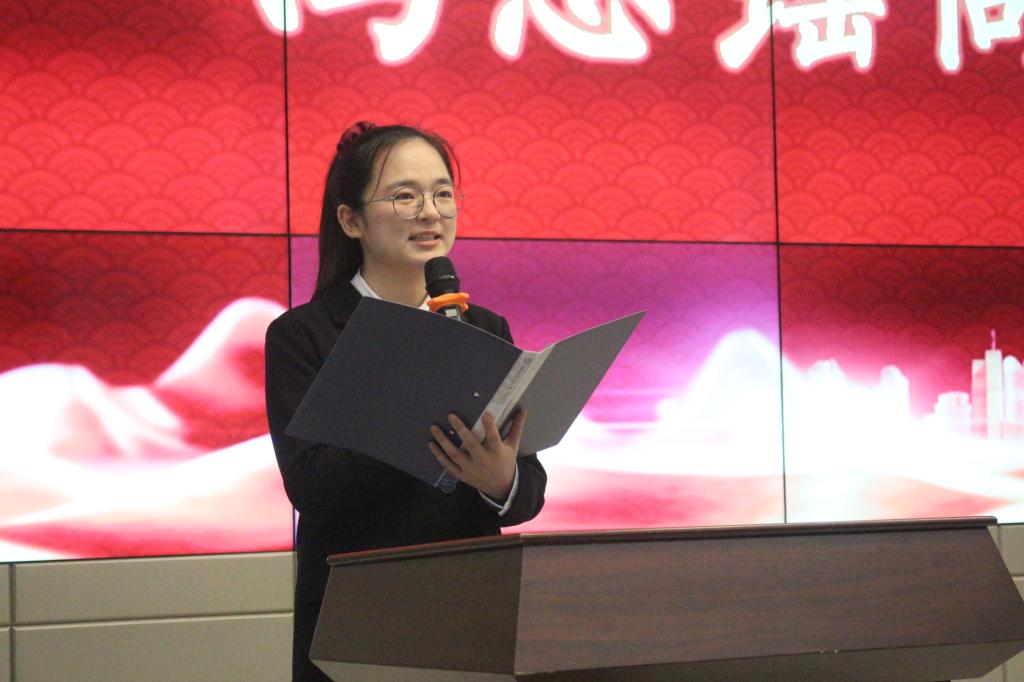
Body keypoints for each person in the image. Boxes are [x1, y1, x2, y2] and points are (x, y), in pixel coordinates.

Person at [264, 122, 547, 682]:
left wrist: (499, 480)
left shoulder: (484, 328)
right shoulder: (304, 335)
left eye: (442, 194)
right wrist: (413, 409)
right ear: (351, 221)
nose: (430, 213)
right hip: (359, 618)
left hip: (472, 614)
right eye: (404, 196)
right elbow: (312, 488)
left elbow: (528, 493)